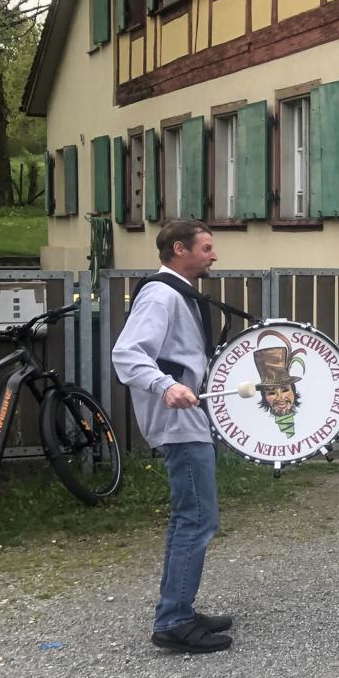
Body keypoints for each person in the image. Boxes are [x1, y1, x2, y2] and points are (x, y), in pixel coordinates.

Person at [112, 220, 234, 654]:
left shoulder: (178, 294)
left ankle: (178, 607)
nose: (213, 255)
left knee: (192, 517)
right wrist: (166, 386)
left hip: (188, 420)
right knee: (196, 519)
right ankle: (174, 621)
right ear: (180, 249)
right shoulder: (160, 295)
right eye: (206, 247)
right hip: (178, 423)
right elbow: (127, 354)